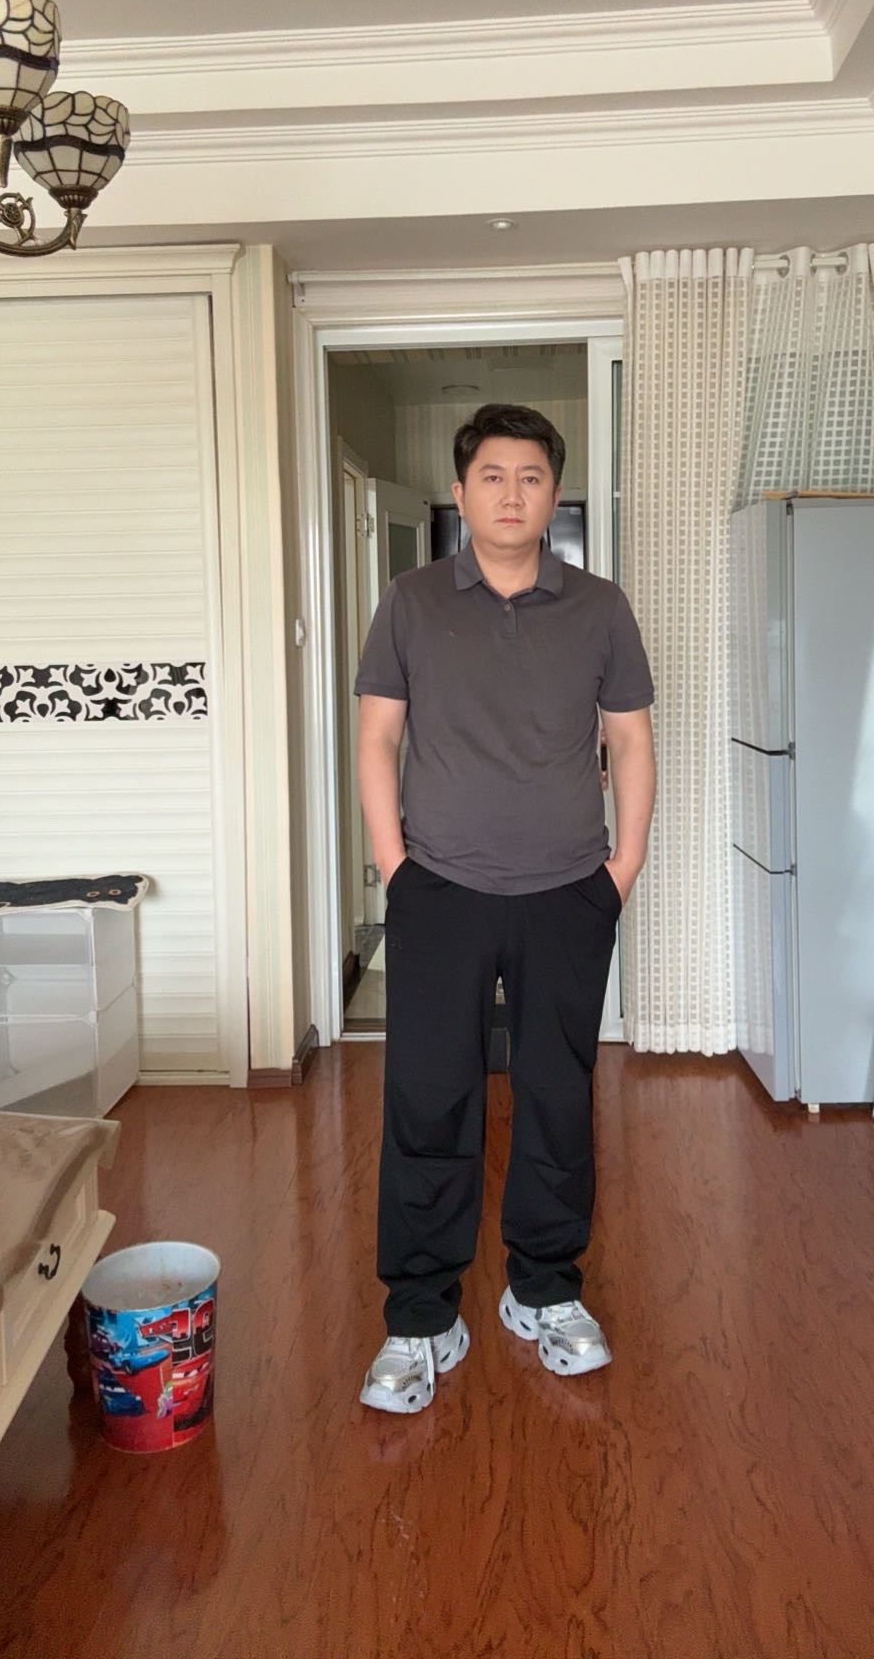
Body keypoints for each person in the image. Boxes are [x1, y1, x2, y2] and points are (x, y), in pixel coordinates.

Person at [354, 402, 655, 1413]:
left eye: (530, 477)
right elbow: (377, 740)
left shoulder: (601, 607)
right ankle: (421, 1315)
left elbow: (631, 740)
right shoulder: (410, 602)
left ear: (554, 494)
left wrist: (622, 868)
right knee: (428, 1097)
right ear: (461, 491)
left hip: (568, 890)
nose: (512, 494)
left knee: (557, 1095)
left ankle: (545, 1291)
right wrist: (396, 869)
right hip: (439, 889)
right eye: (492, 476)